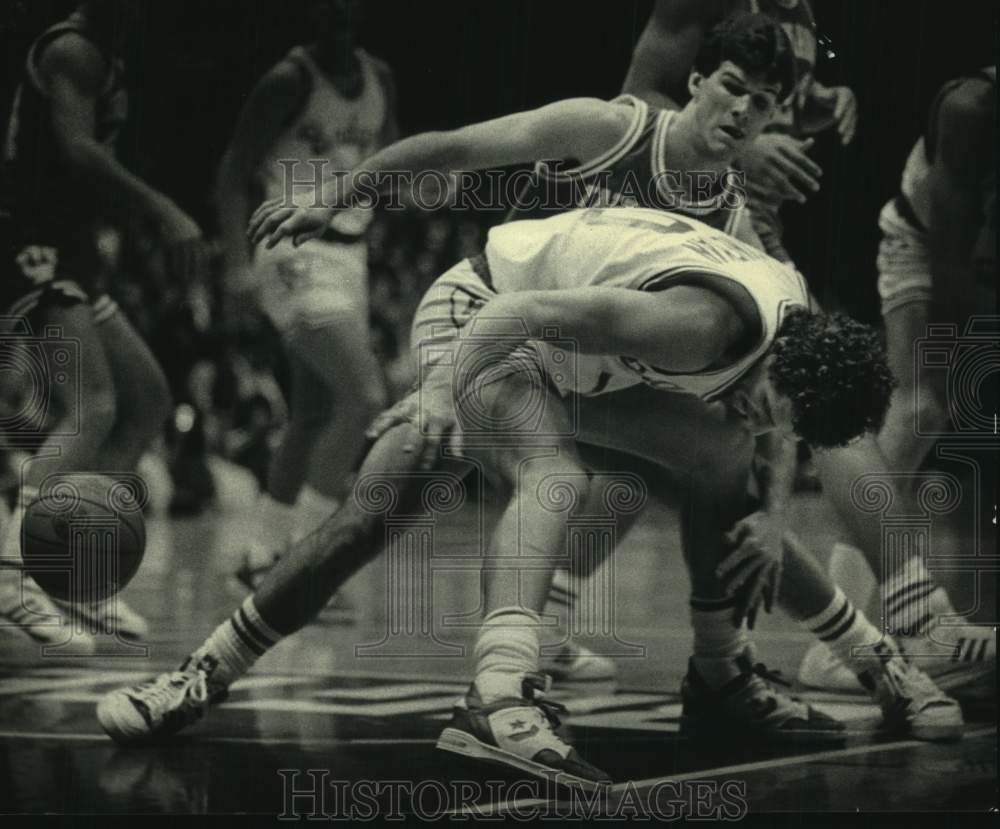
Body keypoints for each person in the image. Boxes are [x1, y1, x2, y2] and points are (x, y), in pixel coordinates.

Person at [96, 208, 961, 789]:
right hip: (485, 314)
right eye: (778, 417)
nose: (775, 434)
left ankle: (847, 667)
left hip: (570, 349)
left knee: (723, 469)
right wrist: (439, 394)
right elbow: (523, 313)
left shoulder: (790, 329)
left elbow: (766, 438)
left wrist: (769, 507)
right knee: (442, 499)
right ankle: (484, 695)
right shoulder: (699, 326)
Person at [247, 11, 796, 677]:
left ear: (772, 121)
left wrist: (775, 512)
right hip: (486, 321)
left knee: (709, 462)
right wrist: (337, 193)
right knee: (377, 512)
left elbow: (788, 373)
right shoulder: (612, 129)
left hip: (575, 363)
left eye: (762, 103)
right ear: (699, 79)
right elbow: (452, 148)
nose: (742, 110)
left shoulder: (735, 234)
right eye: (733, 87)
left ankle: (764, 662)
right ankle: (209, 663)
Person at [0, 0, 207, 650]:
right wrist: (162, 207)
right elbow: (76, 148)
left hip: (75, 245)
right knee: (91, 404)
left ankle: (72, 575)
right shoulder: (71, 49)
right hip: (32, 237)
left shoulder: (110, 55)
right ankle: (10, 574)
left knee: (146, 400)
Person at [800, 68, 998, 691]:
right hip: (934, 252)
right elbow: (956, 279)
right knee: (917, 409)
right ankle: (843, 642)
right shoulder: (971, 110)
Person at [215, 0, 394, 584]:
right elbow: (232, 170)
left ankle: (262, 556)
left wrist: (438, 183)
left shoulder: (379, 79)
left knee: (313, 412)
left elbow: (394, 162)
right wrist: (236, 266)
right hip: (291, 247)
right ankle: (311, 561)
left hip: (350, 253)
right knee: (364, 396)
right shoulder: (287, 81)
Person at [622, 0, 857, 264]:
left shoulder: (803, 8)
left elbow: (773, 99)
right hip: (687, 200)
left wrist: (820, 105)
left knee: (789, 298)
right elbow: (639, 92)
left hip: (755, 213)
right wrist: (741, 149)